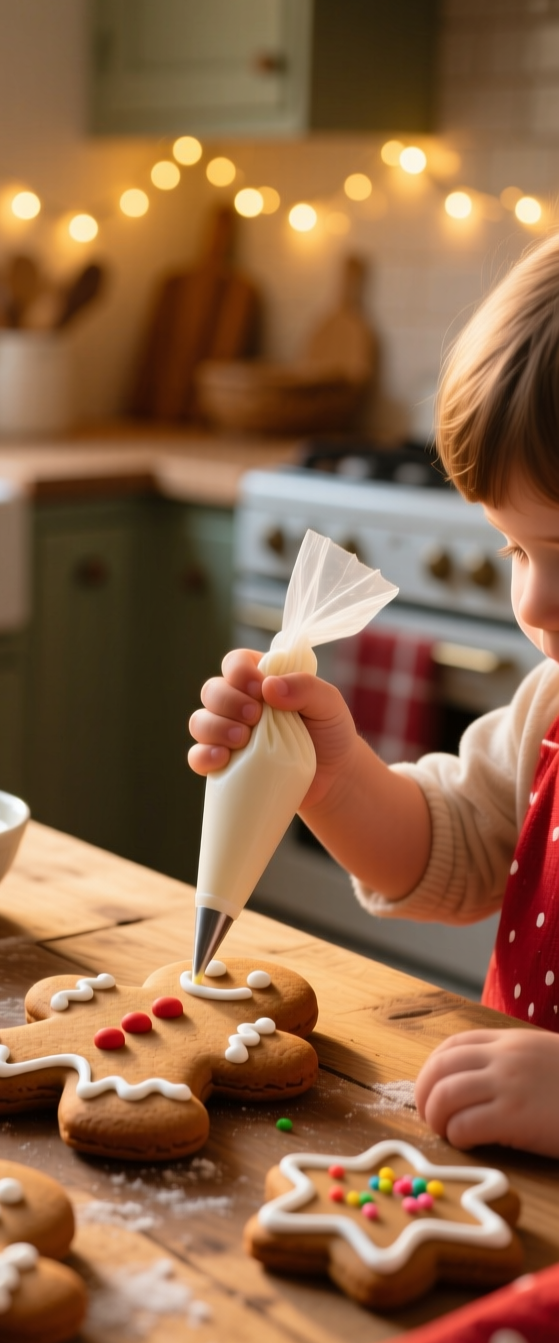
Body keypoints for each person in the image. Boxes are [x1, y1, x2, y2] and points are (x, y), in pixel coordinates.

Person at [188, 233, 559, 1159]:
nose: (537, 604)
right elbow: (454, 851)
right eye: (516, 552)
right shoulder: (550, 708)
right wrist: (332, 773)